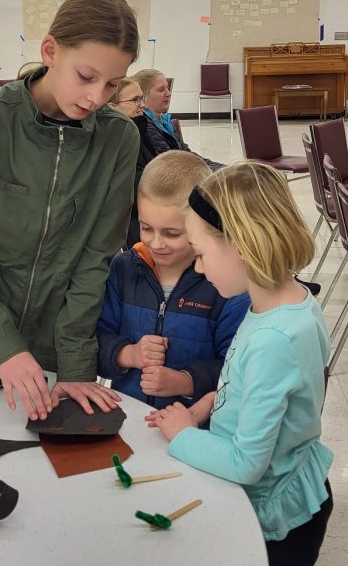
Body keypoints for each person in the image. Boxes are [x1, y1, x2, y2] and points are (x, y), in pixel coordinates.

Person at [0, 0, 141, 422]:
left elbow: (95, 260)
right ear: (50, 51)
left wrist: (77, 365)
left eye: (112, 84)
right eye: (86, 76)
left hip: (51, 343)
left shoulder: (118, 139)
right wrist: (3, 347)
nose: (97, 97)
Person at [146, 161, 333, 566]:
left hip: (276, 520)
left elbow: (248, 464)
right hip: (291, 481)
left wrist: (181, 434)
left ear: (242, 248)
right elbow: (264, 388)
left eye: (201, 253)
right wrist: (208, 403)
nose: (196, 269)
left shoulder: (273, 339)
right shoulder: (290, 301)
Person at [97, 151, 250, 410]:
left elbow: (238, 369)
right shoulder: (123, 269)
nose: (156, 243)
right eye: (146, 228)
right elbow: (94, 340)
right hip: (130, 421)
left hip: (195, 432)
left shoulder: (225, 286)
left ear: (200, 225)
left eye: (171, 233)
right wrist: (128, 354)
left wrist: (186, 382)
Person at [133, 68, 223, 174]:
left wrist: (220, 168)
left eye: (167, 88)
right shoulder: (146, 125)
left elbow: (186, 154)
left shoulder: (164, 121)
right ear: (144, 96)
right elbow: (172, 164)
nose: (168, 93)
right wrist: (216, 172)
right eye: (161, 89)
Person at [109, 77, 157, 247]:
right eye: (135, 99)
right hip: (137, 223)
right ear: (112, 106)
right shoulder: (115, 140)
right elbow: (137, 182)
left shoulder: (141, 126)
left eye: (141, 98)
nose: (142, 104)